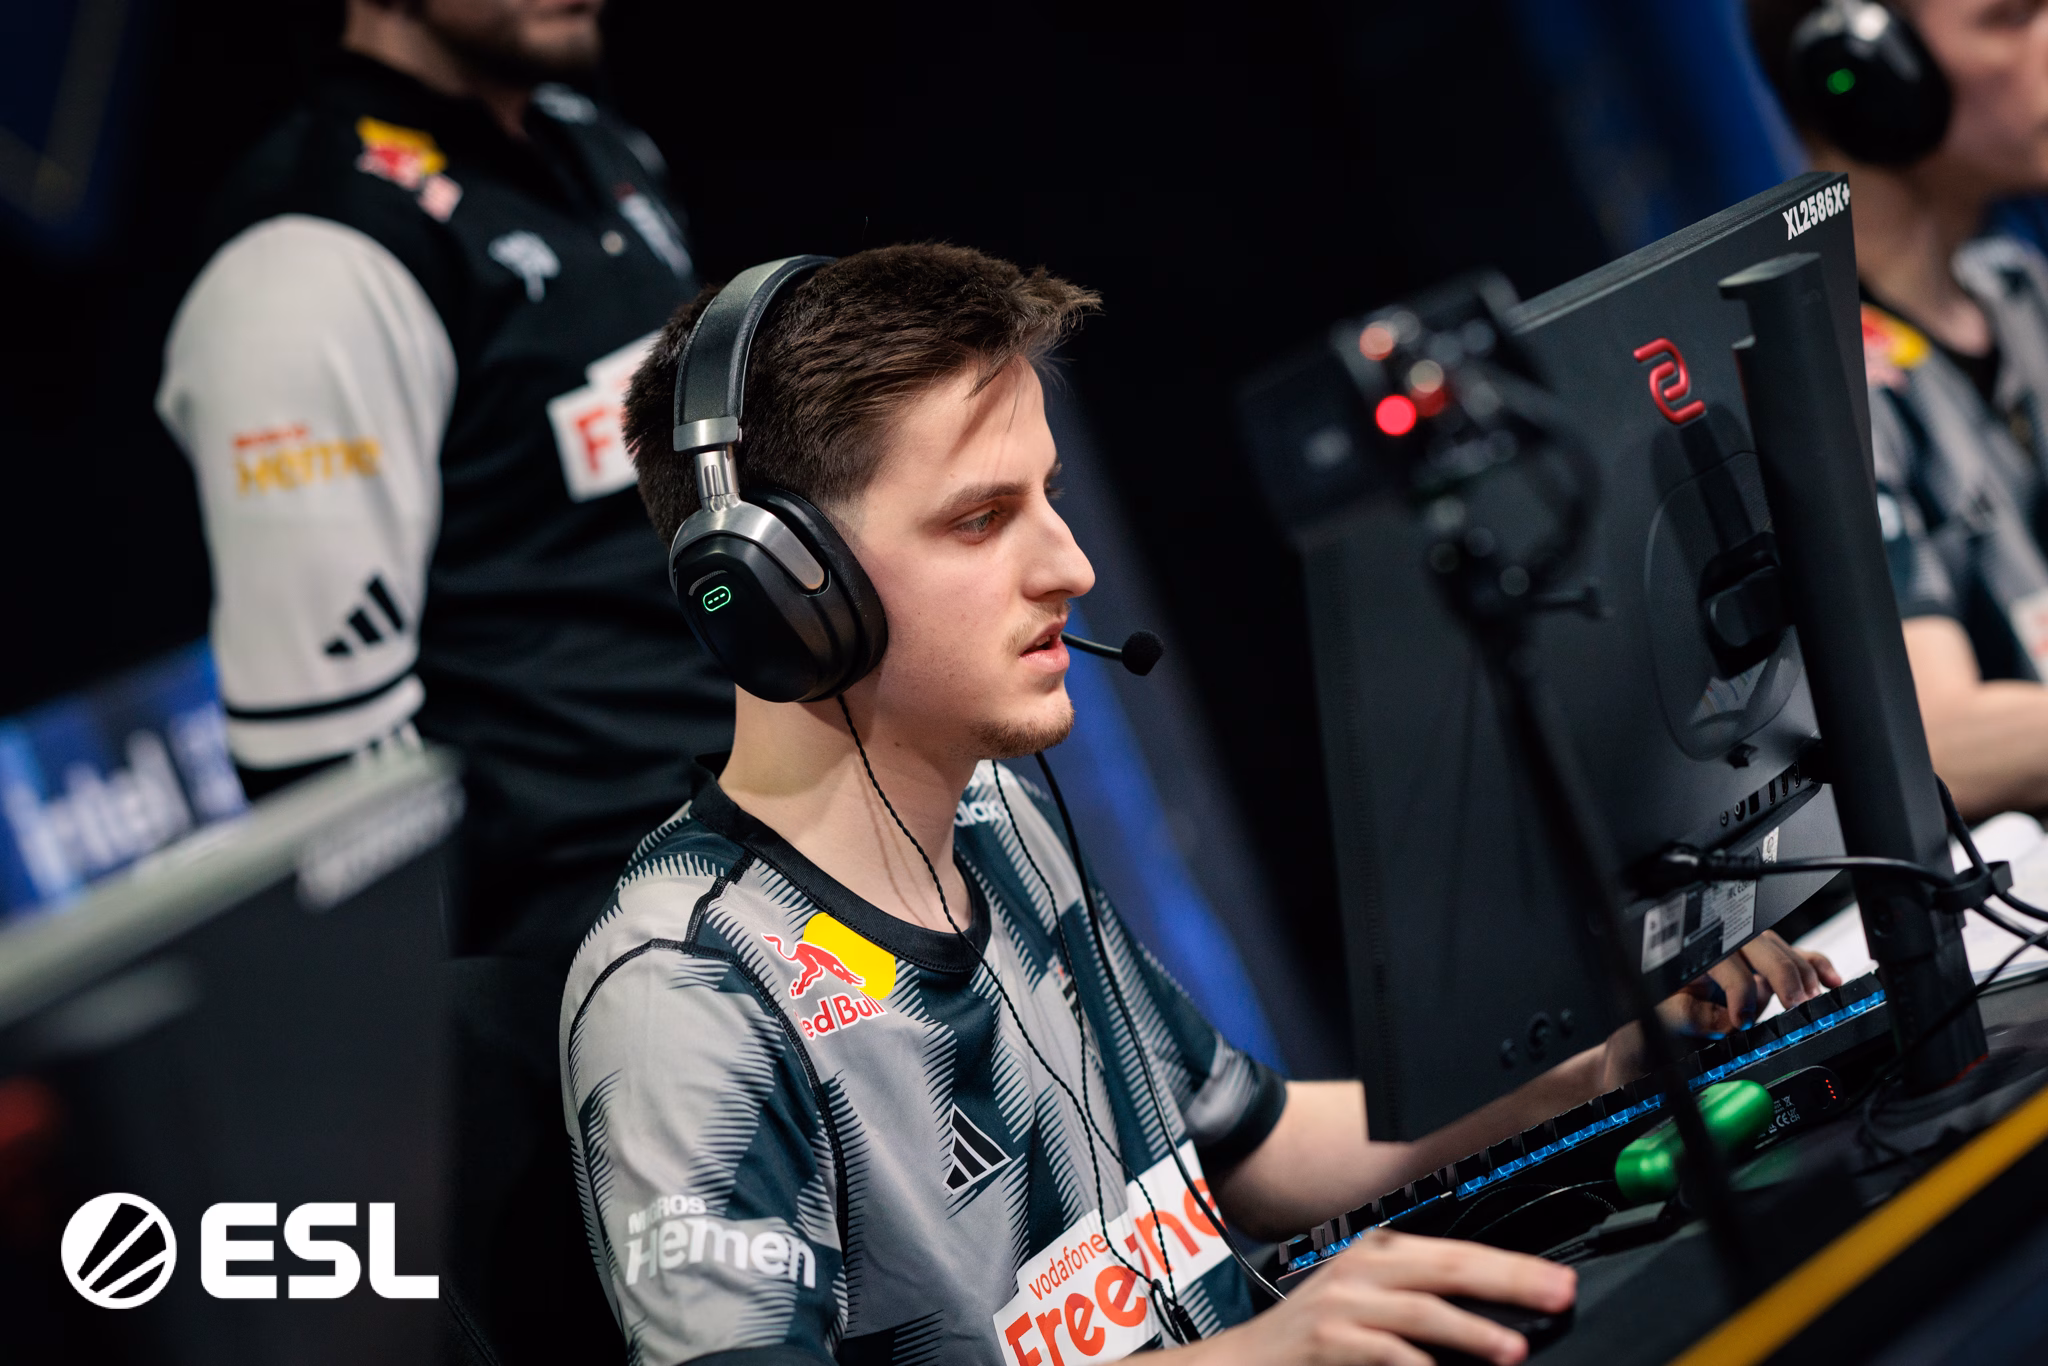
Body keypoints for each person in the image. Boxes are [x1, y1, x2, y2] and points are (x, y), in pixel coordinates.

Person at [562, 245, 1840, 1365]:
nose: (1070, 566)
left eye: (1048, 497)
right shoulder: (685, 993)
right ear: (782, 589)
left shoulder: (998, 819)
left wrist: (1602, 1059)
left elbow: (1254, 1150)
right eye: (981, 519)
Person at [154, 1, 725, 1359]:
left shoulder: (597, 146)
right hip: (606, 989)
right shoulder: (308, 256)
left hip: (775, 864)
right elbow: (331, 796)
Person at [1751, 0, 2048, 821]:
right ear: (1867, 72)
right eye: (2010, 16)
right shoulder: (1814, 378)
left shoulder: (2019, 289)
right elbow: (1939, 741)